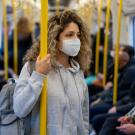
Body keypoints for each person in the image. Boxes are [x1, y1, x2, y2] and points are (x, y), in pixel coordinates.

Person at [13, 10, 92, 135]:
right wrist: (38, 75)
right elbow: (19, 109)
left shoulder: (78, 72)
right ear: (55, 38)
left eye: (78, 35)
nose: (76, 40)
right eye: (69, 35)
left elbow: (84, 115)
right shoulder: (33, 67)